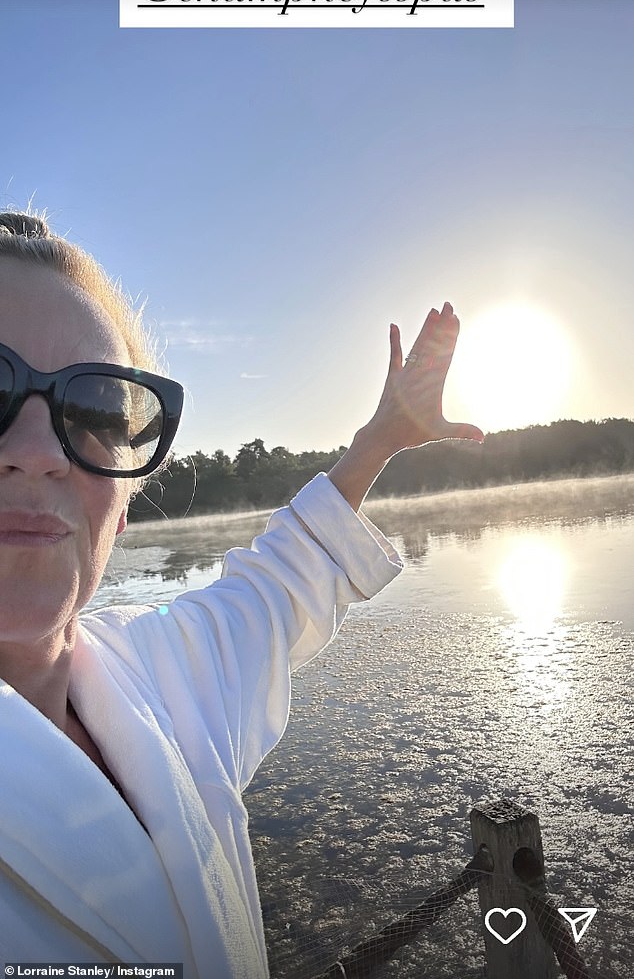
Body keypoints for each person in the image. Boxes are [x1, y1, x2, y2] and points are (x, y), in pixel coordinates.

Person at [0, 211, 483, 976]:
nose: (35, 453)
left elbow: (277, 582)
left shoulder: (159, 670)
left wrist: (381, 440)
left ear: (123, 503)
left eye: (92, 409)